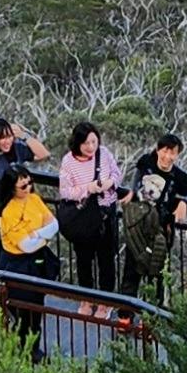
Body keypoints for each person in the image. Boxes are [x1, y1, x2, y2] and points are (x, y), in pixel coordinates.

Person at [0, 165, 64, 361]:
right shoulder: (9, 212)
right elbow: (26, 245)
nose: (28, 187)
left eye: (29, 183)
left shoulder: (34, 199)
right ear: (12, 188)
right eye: (22, 186)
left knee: (36, 307)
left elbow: (54, 224)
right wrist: (42, 237)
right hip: (17, 265)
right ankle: (23, 350)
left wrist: (37, 235)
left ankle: (33, 348)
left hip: (36, 262)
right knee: (22, 312)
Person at [121, 133, 187, 300]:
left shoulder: (179, 177)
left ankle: (151, 319)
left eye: (172, 153)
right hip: (137, 225)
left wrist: (184, 202)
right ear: (158, 149)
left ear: (177, 154)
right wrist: (132, 191)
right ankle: (125, 316)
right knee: (131, 270)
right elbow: (138, 174)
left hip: (160, 231)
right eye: (165, 151)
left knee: (157, 273)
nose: (167, 157)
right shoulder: (147, 161)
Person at [56, 122, 126, 294]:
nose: (91, 147)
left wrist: (110, 183)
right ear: (77, 143)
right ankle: (87, 297)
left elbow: (117, 174)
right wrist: (88, 188)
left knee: (107, 260)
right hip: (84, 217)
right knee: (84, 260)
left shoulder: (104, 153)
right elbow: (65, 191)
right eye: (86, 143)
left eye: (94, 142)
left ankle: (106, 300)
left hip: (106, 214)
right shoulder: (68, 161)